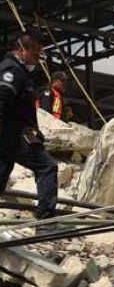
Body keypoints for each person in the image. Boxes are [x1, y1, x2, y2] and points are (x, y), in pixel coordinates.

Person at [0, 29, 58, 220]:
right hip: (15, 135)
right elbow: (3, 98)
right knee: (47, 166)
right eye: (34, 53)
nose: (37, 58)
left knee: (3, 171)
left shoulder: (19, 71)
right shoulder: (13, 70)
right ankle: (45, 219)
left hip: (10, 135)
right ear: (21, 48)